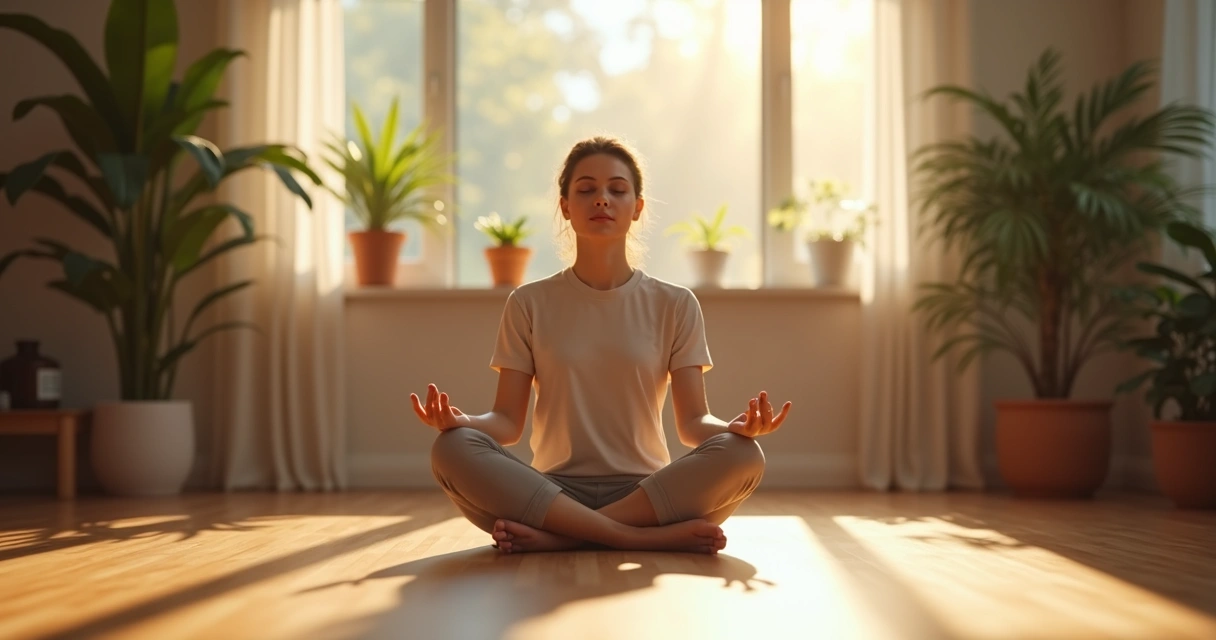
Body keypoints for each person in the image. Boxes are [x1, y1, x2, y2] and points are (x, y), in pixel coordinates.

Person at [411, 136, 792, 554]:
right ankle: (630, 537)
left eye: (617, 189)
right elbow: (506, 422)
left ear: (638, 208)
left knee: (744, 455)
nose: (602, 200)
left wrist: (734, 429)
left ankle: (562, 538)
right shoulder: (528, 303)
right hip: (549, 491)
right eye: (586, 189)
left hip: (647, 492)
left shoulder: (676, 303)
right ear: (565, 207)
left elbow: (693, 424)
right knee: (451, 448)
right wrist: (462, 422)